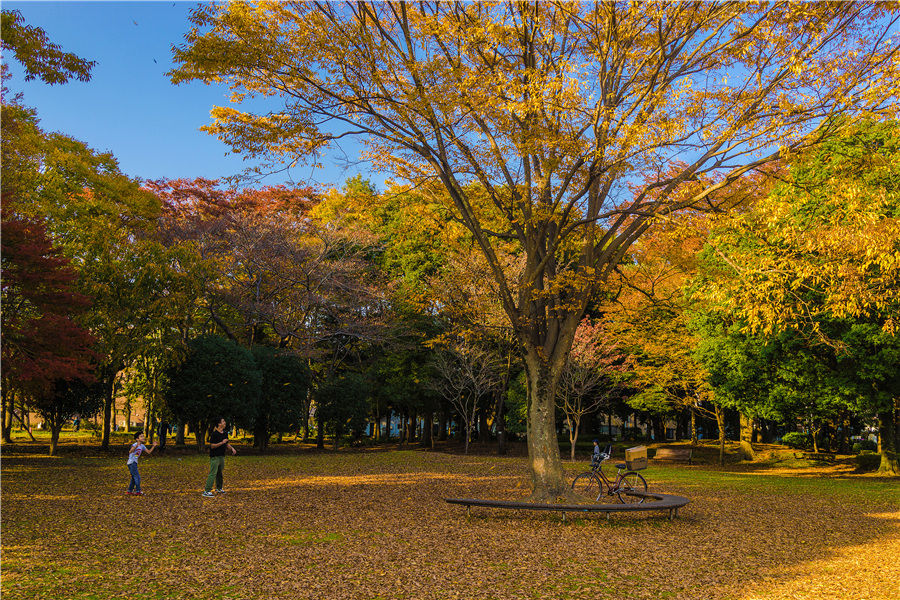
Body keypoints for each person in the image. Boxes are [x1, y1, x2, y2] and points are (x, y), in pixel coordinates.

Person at [203, 417, 236, 497]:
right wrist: (221, 442)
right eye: (223, 421)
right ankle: (206, 491)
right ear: (219, 424)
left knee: (219, 473)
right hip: (215, 456)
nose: (225, 423)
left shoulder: (225, 433)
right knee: (213, 473)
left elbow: (226, 443)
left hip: (222, 456)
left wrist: (232, 448)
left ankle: (219, 488)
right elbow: (212, 446)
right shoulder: (214, 434)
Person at [126, 431, 158, 496]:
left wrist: (153, 446)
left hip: (134, 463)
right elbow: (130, 451)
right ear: (137, 439)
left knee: (134, 477)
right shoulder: (135, 445)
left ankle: (129, 491)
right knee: (137, 477)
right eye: (141, 436)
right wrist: (136, 446)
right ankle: (138, 491)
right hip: (131, 463)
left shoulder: (142, 446)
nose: (143, 437)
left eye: (143, 436)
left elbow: (149, 452)